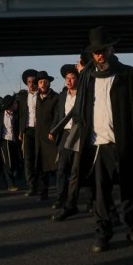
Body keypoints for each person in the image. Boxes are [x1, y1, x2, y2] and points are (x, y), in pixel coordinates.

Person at [74, 26, 133, 253]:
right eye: (96, 52)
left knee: (130, 189)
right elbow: (81, 109)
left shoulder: (129, 74)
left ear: (111, 49)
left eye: (104, 50)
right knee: (100, 194)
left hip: (124, 142)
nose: (100, 56)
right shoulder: (87, 77)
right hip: (97, 144)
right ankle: (103, 234)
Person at [50, 64, 81, 220]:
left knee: (77, 170)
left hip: (78, 134)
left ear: (77, 79)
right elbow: (58, 115)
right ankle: (60, 198)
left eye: (72, 78)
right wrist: (53, 130)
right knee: (61, 168)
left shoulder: (82, 95)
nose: (69, 81)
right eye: (67, 78)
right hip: (64, 134)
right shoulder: (62, 96)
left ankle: (76, 202)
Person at [34, 71, 59, 201]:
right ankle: (43, 193)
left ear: (49, 83)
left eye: (45, 81)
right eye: (40, 82)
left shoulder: (55, 97)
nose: (43, 84)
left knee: (57, 166)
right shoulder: (37, 97)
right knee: (42, 167)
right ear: (38, 84)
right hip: (39, 137)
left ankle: (62, 195)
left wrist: (54, 131)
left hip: (51, 137)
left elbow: (58, 116)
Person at [16, 69, 39, 195]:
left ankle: (41, 184)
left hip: (40, 131)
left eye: (33, 81)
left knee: (39, 158)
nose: (31, 83)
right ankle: (31, 186)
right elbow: (21, 115)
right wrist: (20, 131)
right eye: (28, 81)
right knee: (28, 159)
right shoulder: (23, 97)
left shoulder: (41, 94)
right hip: (27, 131)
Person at [0, 95, 20, 191]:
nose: (17, 105)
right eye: (15, 103)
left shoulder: (17, 115)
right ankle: (10, 184)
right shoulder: (0, 115)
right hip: (5, 140)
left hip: (15, 141)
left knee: (15, 162)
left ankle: (7, 181)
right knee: (7, 163)